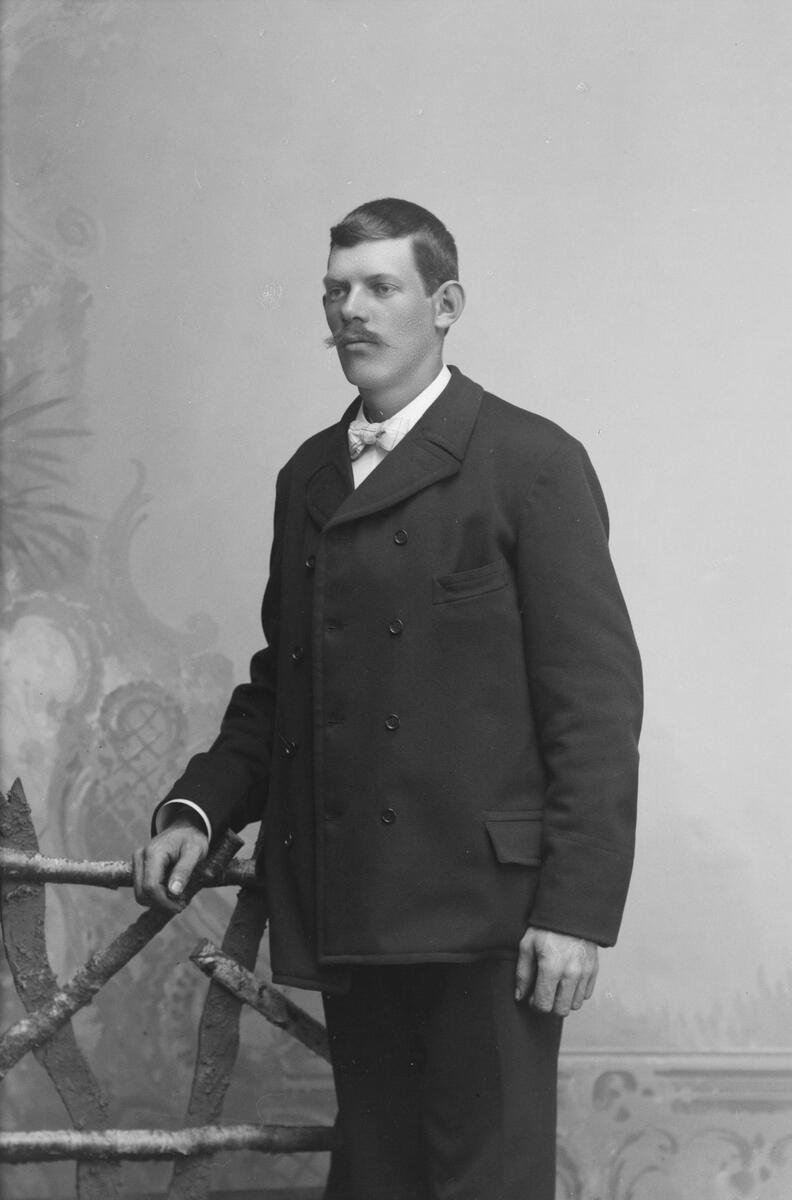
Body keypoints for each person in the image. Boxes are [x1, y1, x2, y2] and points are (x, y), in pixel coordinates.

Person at [133, 198, 643, 1199]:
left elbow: (595, 708)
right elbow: (284, 684)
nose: (351, 312)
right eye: (336, 292)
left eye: (380, 287)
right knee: (377, 1183)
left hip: (491, 922)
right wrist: (197, 806)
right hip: (355, 904)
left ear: (445, 305)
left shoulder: (533, 463)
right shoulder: (308, 476)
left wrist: (576, 912)